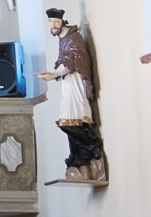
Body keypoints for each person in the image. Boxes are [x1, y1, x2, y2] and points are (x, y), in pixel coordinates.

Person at [39, 10, 108, 182]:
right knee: (71, 122)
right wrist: (53, 74)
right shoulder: (63, 39)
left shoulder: (73, 38)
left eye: (56, 21)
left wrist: (54, 75)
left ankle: (92, 145)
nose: (54, 25)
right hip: (67, 83)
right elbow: (64, 62)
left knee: (69, 121)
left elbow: (71, 62)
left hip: (76, 83)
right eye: (51, 22)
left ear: (62, 21)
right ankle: (80, 159)